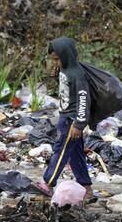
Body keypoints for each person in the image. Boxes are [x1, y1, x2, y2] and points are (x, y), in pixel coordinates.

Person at [37, 37, 94, 201]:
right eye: (52, 60)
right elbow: (66, 91)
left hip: (71, 120)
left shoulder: (77, 75)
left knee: (60, 151)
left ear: (66, 56)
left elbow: (83, 101)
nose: (55, 63)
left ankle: (48, 183)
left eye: (56, 59)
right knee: (75, 155)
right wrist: (56, 76)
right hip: (65, 117)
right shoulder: (65, 70)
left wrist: (79, 124)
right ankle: (86, 187)